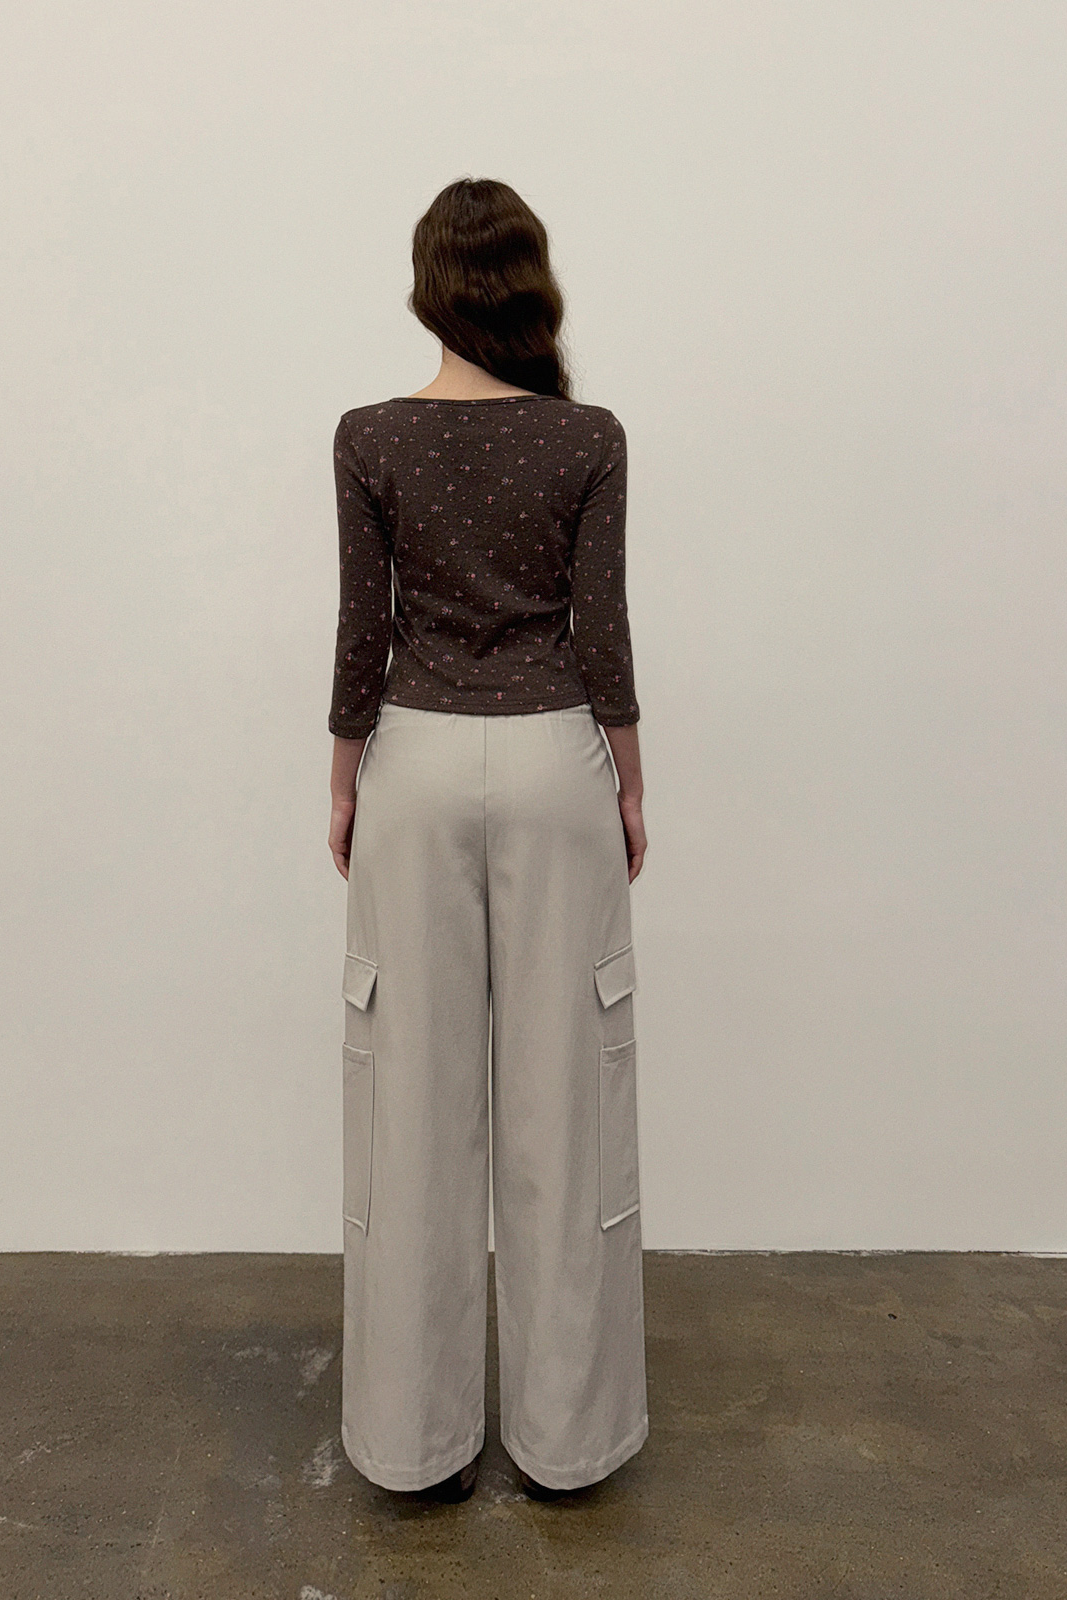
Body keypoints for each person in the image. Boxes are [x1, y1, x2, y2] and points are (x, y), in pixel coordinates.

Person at [326, 177, 648, 1504]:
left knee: (408, 1096)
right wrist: (630, 789)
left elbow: (362, 633)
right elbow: (601, 635)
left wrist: (344, 782)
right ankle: (569, 1446)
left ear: (427, 291)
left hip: (411, 759)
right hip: (554, 759)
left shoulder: (369, 437)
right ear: (529, 285)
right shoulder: (587, 437)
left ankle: (416, 1447)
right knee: (569, 1098)